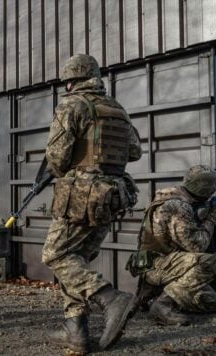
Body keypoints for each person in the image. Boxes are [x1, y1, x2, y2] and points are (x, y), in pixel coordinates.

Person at [42, 53, 142, 353]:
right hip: (111, 195)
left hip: (81, 195)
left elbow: (57, 157)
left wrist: (70, 168)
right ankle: (77, 332)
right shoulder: (117, 109)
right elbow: (134, 151)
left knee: (56, 256)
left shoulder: (71, 105)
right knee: (76, 261)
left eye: (68, 81)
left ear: (72, 80)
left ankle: (111, 298)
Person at [128, 165, 216, 326]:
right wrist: (212, 218)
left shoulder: (172, 196)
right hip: (157, 265)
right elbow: (197, 246)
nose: (211, 194)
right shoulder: (178, 206)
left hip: (158, 262)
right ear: (203, 189)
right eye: (210, 190)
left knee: (211, 303)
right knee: (213, 262)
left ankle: (153, 296)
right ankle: (163, 305)